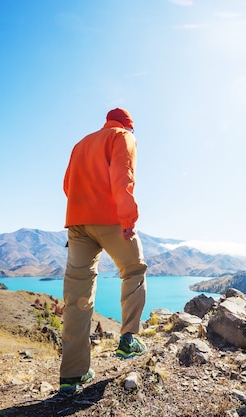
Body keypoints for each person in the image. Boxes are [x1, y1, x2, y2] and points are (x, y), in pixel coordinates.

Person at [59, 107, 148, 392]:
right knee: (134, 270)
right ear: (128, 126)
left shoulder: (81, 144)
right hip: (110, 219)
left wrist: (83, 207)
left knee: (77, 298)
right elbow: (123, 176)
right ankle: (128, 339)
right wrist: (127, 220)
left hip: (77, 223)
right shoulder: (122, 137)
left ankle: (72, 375)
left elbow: (67, 185)